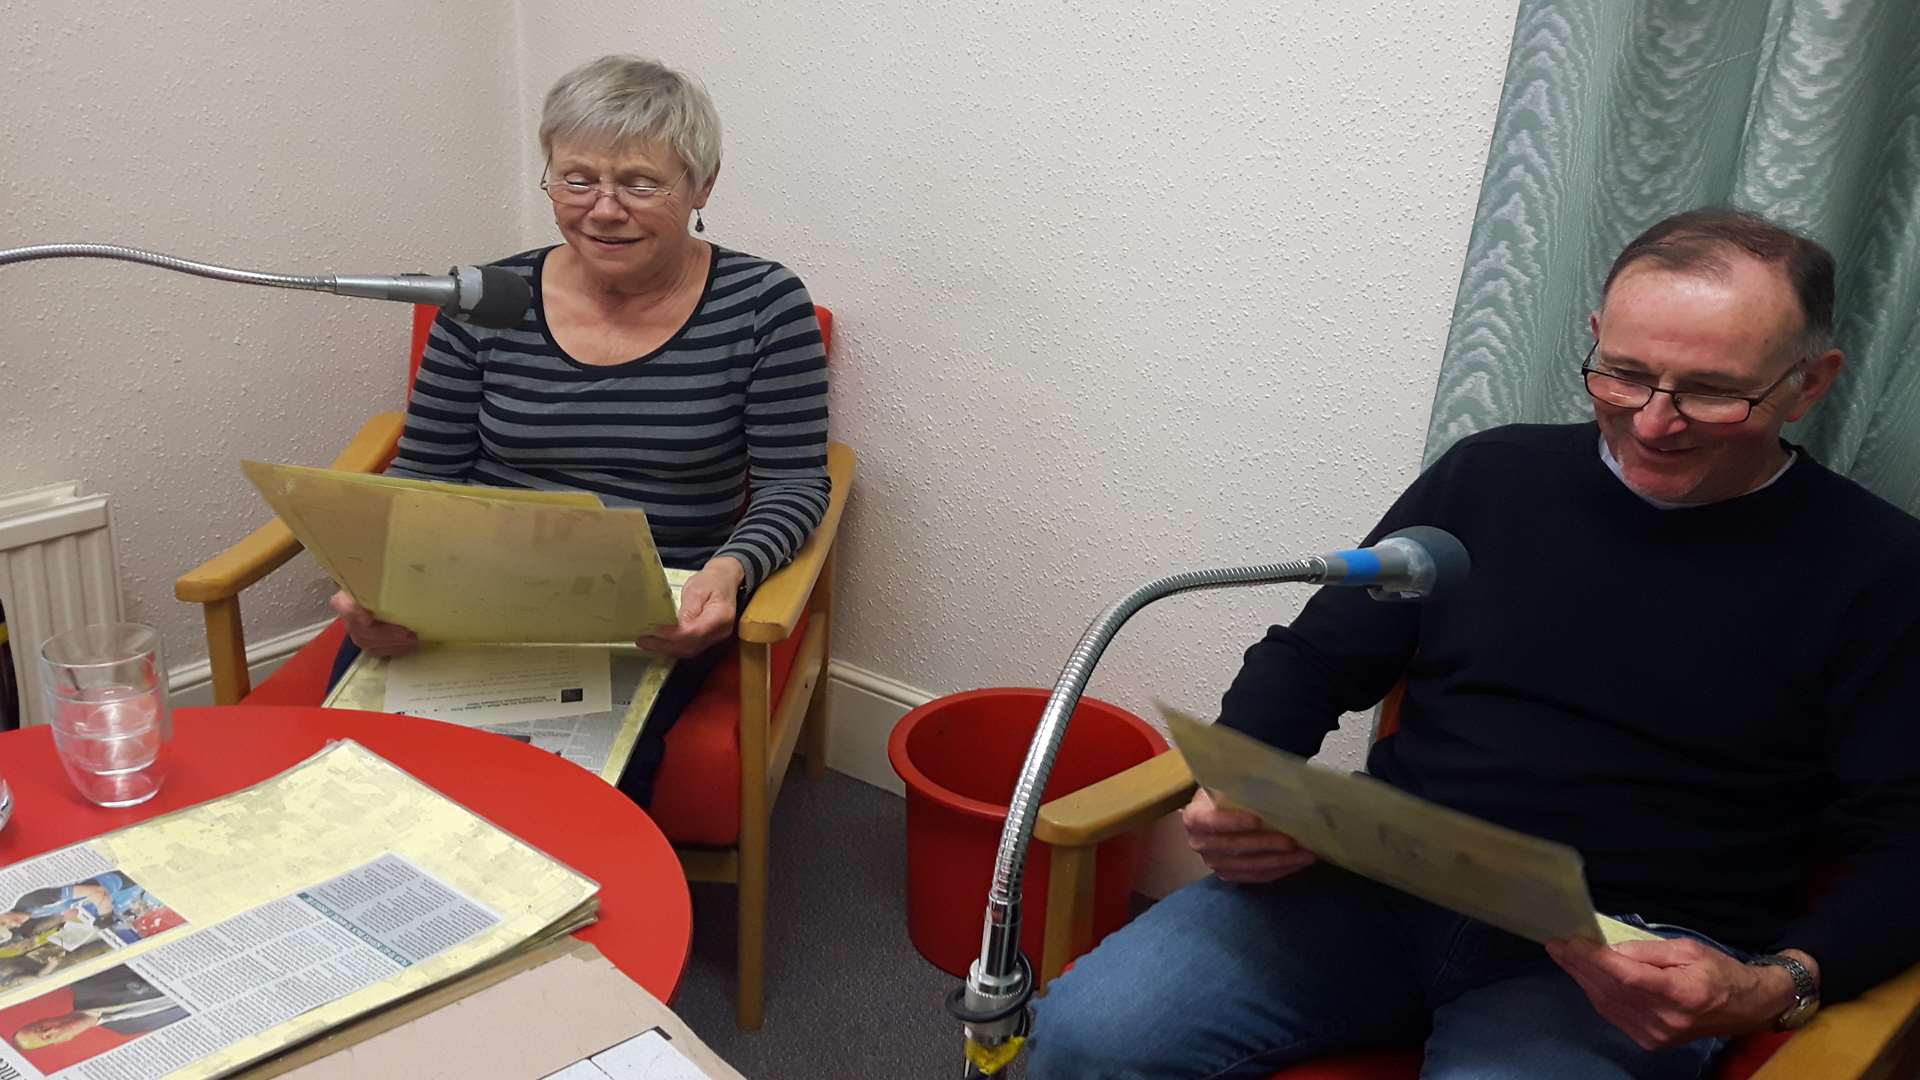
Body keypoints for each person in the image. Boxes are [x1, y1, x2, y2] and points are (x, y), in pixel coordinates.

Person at [1029, 208, 1920, 1079]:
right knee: (1086, 1038)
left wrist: (1777, 984)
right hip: (1378, 884)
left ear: (1810, 381)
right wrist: (1238, 790)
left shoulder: (1878, 567)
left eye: (1714, 391)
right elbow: (1314, 660)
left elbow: (1907, 840)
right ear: (1595, 338)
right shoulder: (1494, 474)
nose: (1654, 421)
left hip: (1626, 953)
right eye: (1623, 374)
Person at [325, 55, 831, 807]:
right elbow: (425, 472)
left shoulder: (762, 303)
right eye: (577, 178)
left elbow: (794, 481)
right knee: (357, 785)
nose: (602, 209)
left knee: (561, 808)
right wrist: (377, 583)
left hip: (648, 615)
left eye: (639, 182)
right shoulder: (485, 299)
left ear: (702, 185)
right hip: (469, 597)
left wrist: (729, 572)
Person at [10, 967, 188, 1049]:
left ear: (44, 1018)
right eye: (47, 1037)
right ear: (62, 1042)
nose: (54, 1028)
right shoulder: (127, 1030)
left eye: (41, 1027)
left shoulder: (86, 984)